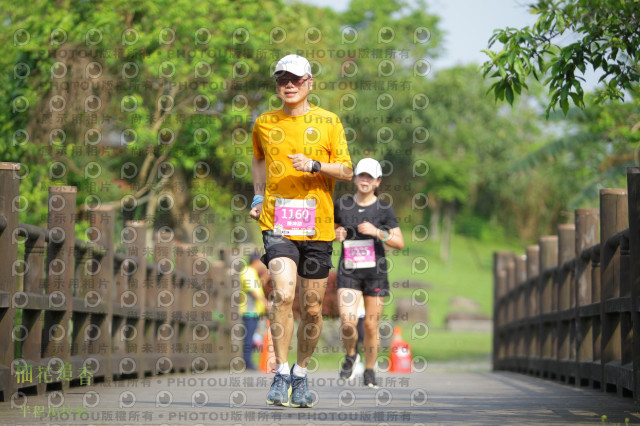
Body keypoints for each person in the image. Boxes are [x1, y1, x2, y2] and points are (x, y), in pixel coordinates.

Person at [250, 54, 353, 407]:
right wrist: (257, 194)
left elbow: (347, 171)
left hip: (319, 227)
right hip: (277, 223)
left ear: (309, 82)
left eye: (295, 78)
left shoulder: (328, 121)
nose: (288, 85)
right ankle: (280, 373)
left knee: (311, 308)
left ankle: (301, 373)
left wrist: (315, 165)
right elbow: (258, 158)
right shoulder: (264, 122)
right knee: (282, 292)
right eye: (282, 79)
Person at [334, 158, 405, 388]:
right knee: (347, 321)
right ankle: (352, 354)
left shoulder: (384, 208)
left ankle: (370, 370)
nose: (365, 180)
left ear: (377, 182)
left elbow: (399, 242)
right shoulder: (343, 204)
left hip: (375, 273)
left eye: (370, 177)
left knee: (371, 326)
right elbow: (330, 228)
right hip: (349, 271)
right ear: (355, 178)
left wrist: (377, 232)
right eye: (361, 175)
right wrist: (337, 233)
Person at [238, 252, 270, 370]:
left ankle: (248, 361)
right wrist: (265, 302)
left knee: (251, 336)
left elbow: (257, 286)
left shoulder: (252, 273)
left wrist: (266, 276)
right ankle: (247, 362)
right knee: (249, 337)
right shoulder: (246, 272)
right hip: (248, 310)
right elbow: (252, 290)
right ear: (256, 261)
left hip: (254, 311)